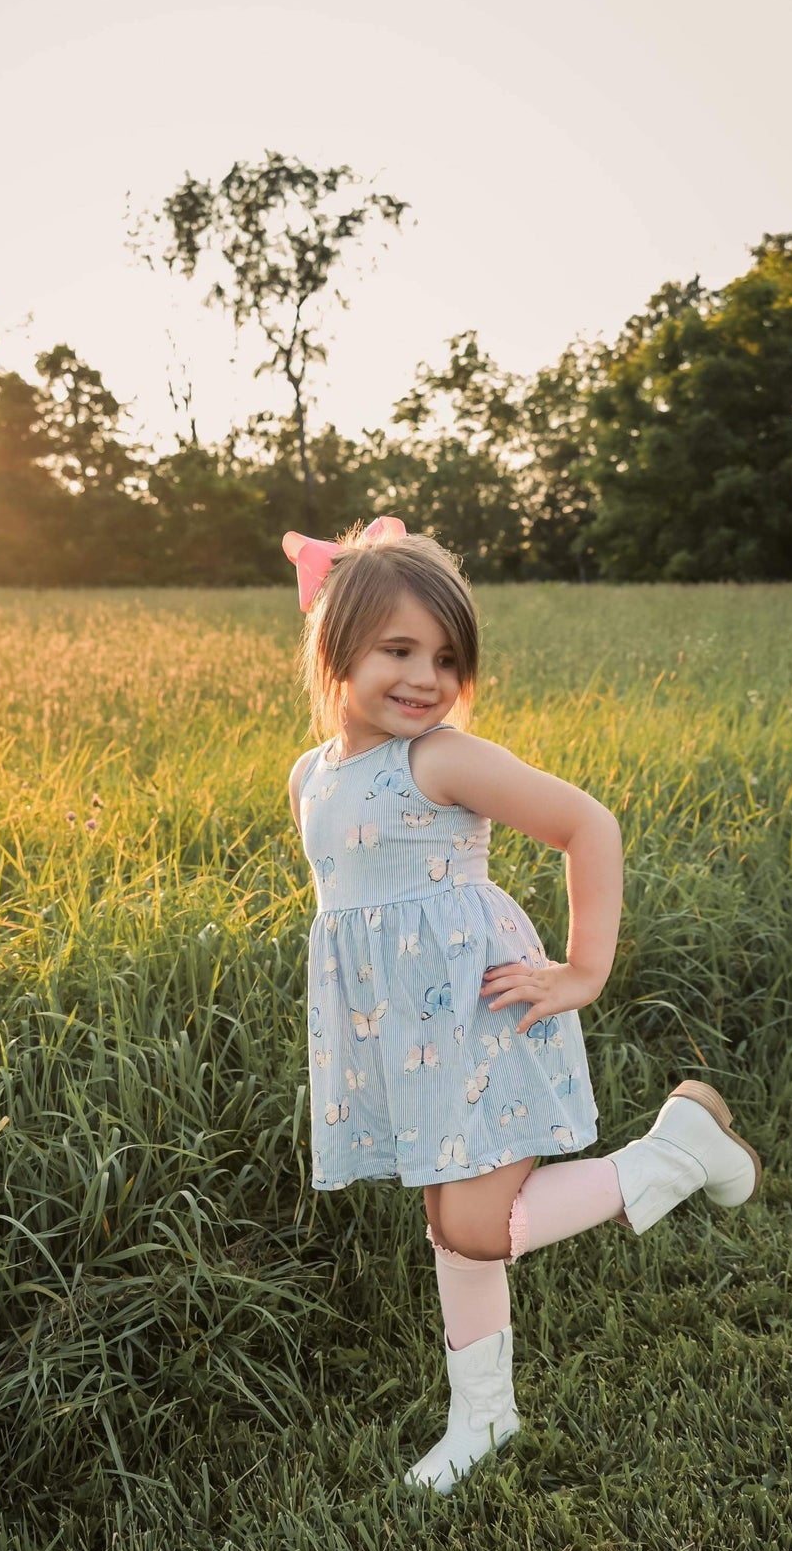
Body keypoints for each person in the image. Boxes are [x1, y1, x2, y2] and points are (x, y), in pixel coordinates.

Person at [284, 518, 762, 1493]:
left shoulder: (441, 759)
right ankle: (484, 1414)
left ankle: (674, 1152)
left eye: (447, 657)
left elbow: (586, 823)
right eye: (398, 650)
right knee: (448, 1218)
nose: (425, 676)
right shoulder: (311, 775)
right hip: (401, 1037)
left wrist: (584, 967)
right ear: (333, 650)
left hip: (474, 1018)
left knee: (476, 1227)